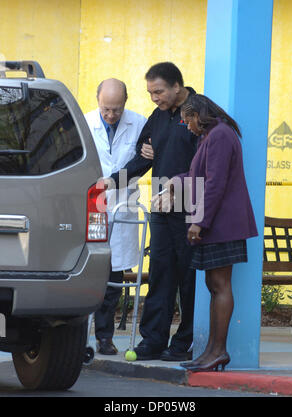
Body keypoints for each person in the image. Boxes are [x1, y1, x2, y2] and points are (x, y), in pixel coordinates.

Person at [153, 93, 258, 371]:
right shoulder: (212, 136)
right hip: (218, 223)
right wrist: (175, 182)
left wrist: (199, 221)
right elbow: (198, 177)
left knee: (220, 285)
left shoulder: (220, 136)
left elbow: (214, 184)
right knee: (214, 286)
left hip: (224, 224)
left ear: (198, 115)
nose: (188, 127)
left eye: (188, 121)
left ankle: (218, 351)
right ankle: (210, 351)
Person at [106, 62, 198, 361]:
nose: (154, 98)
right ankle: (153, 340)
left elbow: (206, 161)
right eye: (150, 93)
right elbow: (141, 160)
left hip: (189, 205)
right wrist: (111, 182)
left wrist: (180, 188)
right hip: (161, 205)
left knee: (188, 277)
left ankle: (184, 342)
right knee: (160, 273)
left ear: (176, 86)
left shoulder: (198, 112)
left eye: (158, 91)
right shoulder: (157, 118)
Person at [85, 79, 147, 355]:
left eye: (117, 109)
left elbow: (143, 162)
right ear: (97, 100)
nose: (111, 115)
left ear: (125, 102)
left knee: (114, 275)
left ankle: (105, 337)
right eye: (106, 109)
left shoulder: (140, 123)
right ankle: (78, 335)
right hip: (92, 207)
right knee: (88, 272)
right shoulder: (85, 123)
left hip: (123, 205)